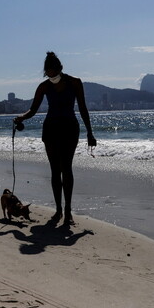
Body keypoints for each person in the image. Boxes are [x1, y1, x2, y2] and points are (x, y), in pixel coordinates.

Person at [14, 52, 96, 227]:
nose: (51, 76)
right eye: (48, 73)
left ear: (60, 69)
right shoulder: (43, 87)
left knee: (66, 168)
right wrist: (21, 117)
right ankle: (58, 209)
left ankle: (68, 212)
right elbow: (33, 110)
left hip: (70, 129)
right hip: (50, 129)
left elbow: (83, 108)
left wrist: (90, 132)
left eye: (53, 72)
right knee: (54, 170)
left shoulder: (75, 82)